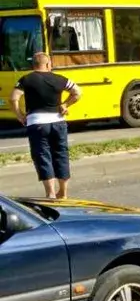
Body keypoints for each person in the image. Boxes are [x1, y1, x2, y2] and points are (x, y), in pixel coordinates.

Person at [10, 53, 82, 199]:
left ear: (33, 65)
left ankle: (50, 194)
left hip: (36, 123)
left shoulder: (26, 79)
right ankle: (63, 192)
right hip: (58, 121)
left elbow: (13, 98)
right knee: (61, 154)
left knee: (43, 156)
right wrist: (65, 104)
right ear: (48, 64)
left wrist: (20, 115)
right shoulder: (59, 79)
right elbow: (77, 92)